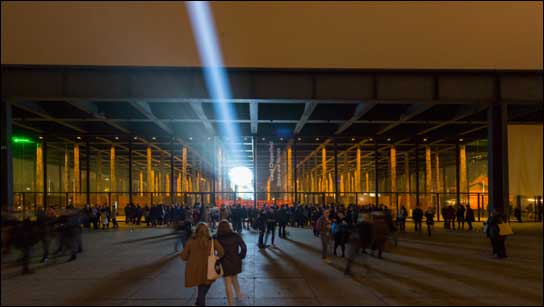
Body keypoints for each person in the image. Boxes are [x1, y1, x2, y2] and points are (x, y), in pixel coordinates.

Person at [181, 223, 224, 306]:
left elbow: (183, 256)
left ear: (196, 231)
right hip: (209, 268)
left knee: (201, 288)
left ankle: (198, 302)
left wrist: (191, 258)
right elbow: (221, 252)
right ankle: (199, 302)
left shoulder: (191, 241)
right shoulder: (212, 241)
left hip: (195, 269)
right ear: (207, 231)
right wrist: (216, 257)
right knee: (204, 287)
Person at [216, 221, 247, 306]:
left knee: (228, 283)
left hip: (224, 262)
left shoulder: (217, 238)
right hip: (235, 260)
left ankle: (231, 304)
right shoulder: (236, 235)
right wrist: (240, 256)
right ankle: (239, 295)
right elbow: (243, 247)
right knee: (235, 278)